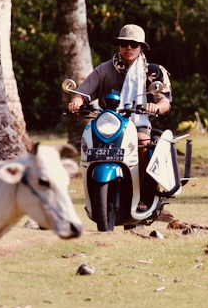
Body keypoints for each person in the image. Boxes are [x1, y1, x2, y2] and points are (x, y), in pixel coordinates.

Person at [67, 24, 172, 211]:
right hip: (108, 124)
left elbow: (165, 102)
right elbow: (82, 92)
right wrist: (76, 100)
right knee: (88, 140)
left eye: (133, 44)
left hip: (137, 124)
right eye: (124, 43)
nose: (128, 48)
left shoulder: (153, 71)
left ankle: (141, 194)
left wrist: (155, 106)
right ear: (119, 46)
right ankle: (93, 197)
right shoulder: (104, 69)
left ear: (141, 47)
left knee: (142, 141)